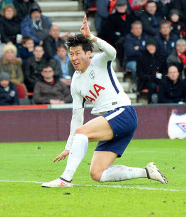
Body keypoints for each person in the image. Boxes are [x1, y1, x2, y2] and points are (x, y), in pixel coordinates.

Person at [42, 16, 168, 188]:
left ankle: (65, 180)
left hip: (123, 113)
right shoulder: (76, 82)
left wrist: (91, 37)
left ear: (88, 53)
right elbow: (76, 117)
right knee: (97, 173)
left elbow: (112, 52)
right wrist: (69, 146)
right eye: (71, 54)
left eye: (77, 53)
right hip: (112, 121)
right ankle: (146, 172)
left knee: (82, 133)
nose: (74, 57)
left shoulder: (99, 61)